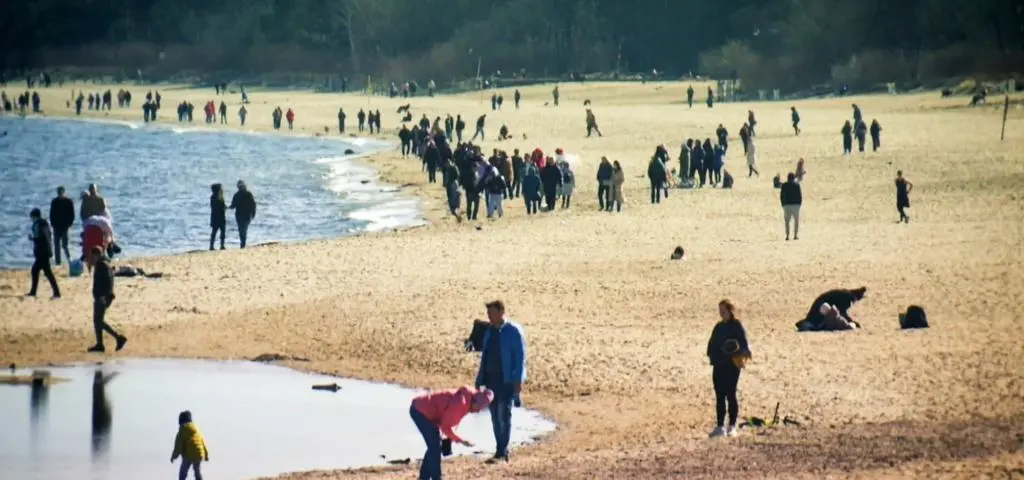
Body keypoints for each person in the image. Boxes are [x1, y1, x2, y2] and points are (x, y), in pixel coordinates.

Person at [474, 300, 527, 463]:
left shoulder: (513, 331)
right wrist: (479, 379)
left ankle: (503, 451)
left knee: (503, 415)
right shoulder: (489, 332)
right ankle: (499, 449)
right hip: (491, 381)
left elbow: (520, 359)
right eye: (488, 314)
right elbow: (484, 357)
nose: (489, 317)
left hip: (506, 381)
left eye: (492, 313)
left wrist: (518, 381)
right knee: (494, 417)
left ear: (501, 312)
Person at [410, 386, 493, 480]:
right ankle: (436, 477)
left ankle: (424, 477)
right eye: (479, 408)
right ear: (475, 401)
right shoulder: (460, 404)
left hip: (429, 412)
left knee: (434, 446)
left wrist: (450, 438)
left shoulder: (469, 398)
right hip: (420, 411)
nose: (478, 411)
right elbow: (445, 427)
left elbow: (448, 421)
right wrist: (461, 440)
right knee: (434, 447)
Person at [706, 300, 751, 438]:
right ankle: (720, 426)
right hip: (719, 366)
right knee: (720, 396)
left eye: (723, 311)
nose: (721, 313)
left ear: (730, 311)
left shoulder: (737, 326)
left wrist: (737, 352)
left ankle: (732, 426)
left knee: (731, 394)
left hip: (732, 367)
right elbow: (711, 346)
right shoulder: (718, 327)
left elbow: (744, 346)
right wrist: (715, 356)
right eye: (720, 311)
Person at [88, 246, 127, 353]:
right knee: (97, 320)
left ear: (96, 255)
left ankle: (118, 338)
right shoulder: (103, 264)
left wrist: (103, 296)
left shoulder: (102, 265)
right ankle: (100, 344)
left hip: (102, 297)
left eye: (92, 256)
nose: (91, 258)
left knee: (98, 321)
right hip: (103, 296)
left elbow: (108, 281)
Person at [27, 209, 61, 298]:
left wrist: (31, 238)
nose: (31, 219)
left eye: (32, 217)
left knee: (37, 271)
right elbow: (47, 237)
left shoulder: (38, 224)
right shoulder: (44, 223)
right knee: (43, 272)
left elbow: (39, 239)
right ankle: (55, 292)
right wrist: (50, 250)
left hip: (41, 253)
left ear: (34, 216)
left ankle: (35, 292)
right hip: (44, 252)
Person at [171, 410, 209, 480]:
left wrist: (174, 456)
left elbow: (178, 447)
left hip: (188, 454)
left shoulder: (182, 430)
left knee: (183, 472)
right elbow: (202, 442)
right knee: (197, 471)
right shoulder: (196, 429)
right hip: (199, 453)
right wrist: (206, 455)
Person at [49, 186, 75, 265]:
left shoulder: (68, 201)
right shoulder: (54, 201)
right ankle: (58, 262)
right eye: (58, 192)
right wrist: (52, 223)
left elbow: (72, 214)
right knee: (56, 245)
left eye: (61, 192)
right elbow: (51, 214)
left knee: (65, 245)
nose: (60, 193)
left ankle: (69, 259)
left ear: (64, 192)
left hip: (65, 226)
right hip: (56, 226)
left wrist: (69, 224)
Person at [229, 181, 256, 248]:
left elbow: (233, 205)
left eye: (241, 186)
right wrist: (253, 213)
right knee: (243, 229)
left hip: (243, 215)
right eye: (240, 186)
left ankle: (243, 243)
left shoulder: (239, 194)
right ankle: (243, 243)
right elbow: (253, 205)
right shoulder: (247, 194)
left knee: (242, 229)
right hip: (244, 215)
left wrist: (253, 213)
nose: (240, 187)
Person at [780, 172, 802, 241]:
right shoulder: (797, 185)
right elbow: (799, 195)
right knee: (796, 221)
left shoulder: (784, 185)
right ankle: (795, 235)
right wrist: (799, 204)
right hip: (796, 205)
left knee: (787, 221)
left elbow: (781, 196)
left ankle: (787, 236)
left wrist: (783, 204)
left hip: (787, 205)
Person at [209, 184, 227, 250]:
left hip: (218, 217)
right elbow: (217, 207)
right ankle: (213, 246)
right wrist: (223, 208)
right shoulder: (215, 197)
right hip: (217, 217)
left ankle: (221, 245)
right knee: (215, 232)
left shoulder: (219, 197)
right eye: (220, 188)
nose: (222, 190)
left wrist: (224, 207)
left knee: (221, 232)